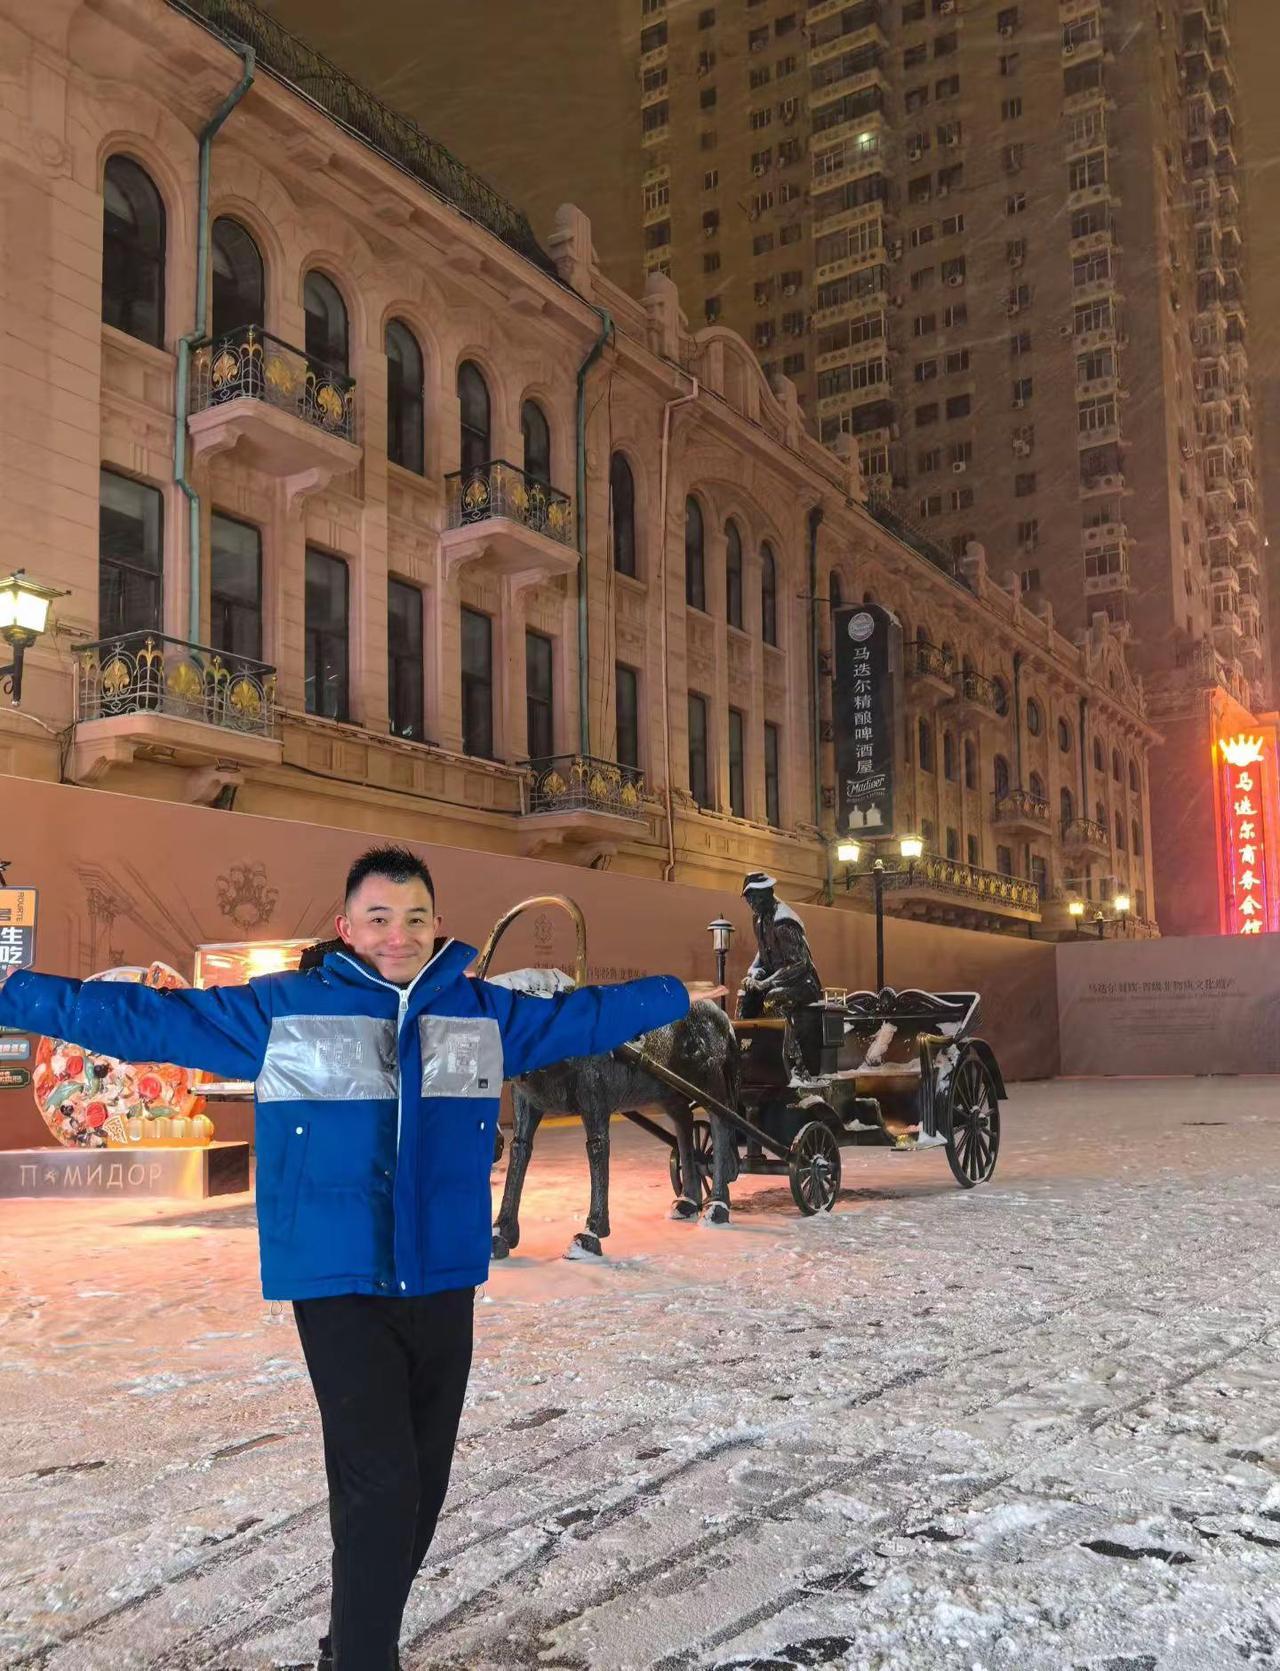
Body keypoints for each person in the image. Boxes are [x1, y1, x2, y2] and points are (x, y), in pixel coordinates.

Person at [0, 845, 692, 1670]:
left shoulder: (481, 1012)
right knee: (382, 1482)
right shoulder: (284, 1008)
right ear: (346, 926)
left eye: (414, 917)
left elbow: (582, 1018)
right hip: (337, 1277)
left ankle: (353, 1641)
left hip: (441, 1274)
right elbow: (147, 1020)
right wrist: (14, 991)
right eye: (379, 917)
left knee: (417, 1486)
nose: (398, 934)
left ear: (437, 924)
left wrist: (676, 993)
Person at [736, 871, 823, 1079]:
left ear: (768, 893)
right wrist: (754, 973)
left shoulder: (783, 921)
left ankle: (793, 1062)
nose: (751, 903)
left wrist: (766, 983)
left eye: (755, 897)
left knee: (773, 998)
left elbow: (799, 964)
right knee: (746, 997)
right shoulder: (759, 918)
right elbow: (763, 952)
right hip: (777, 980)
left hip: (803, 984)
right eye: (749, 899)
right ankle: (745, 1056)